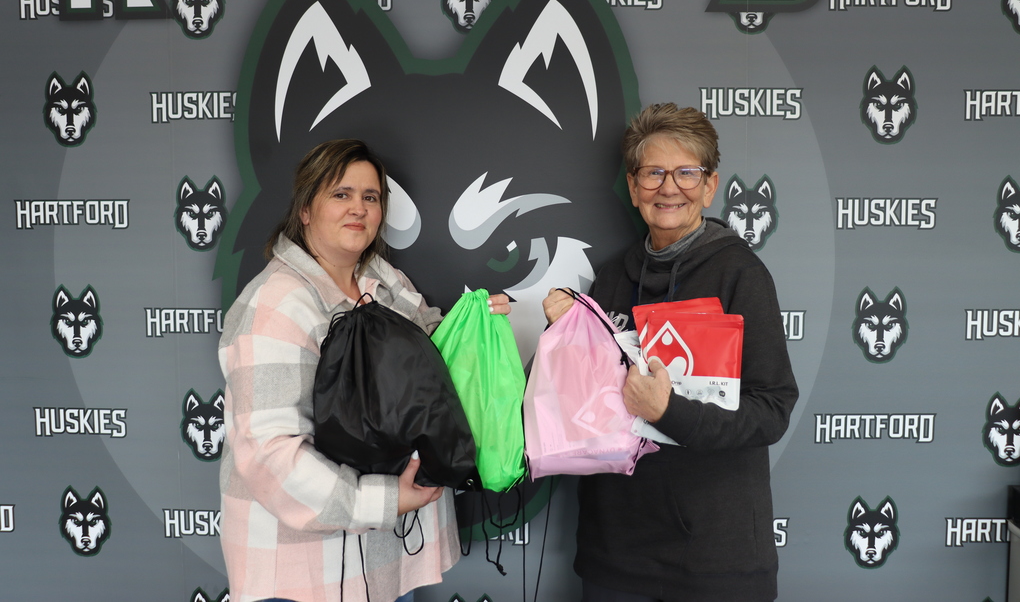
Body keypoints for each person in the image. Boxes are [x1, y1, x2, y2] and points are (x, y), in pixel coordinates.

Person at [218, 139, 510, 602]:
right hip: (308, 574)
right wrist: (387, 499)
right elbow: (272, 456)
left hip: (385, 560)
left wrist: (477, 325)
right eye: (341, 194)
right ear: (306, 210)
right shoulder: (274, 305)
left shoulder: (384, 282)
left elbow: (436, 362)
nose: (358, 208)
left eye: (370, 197)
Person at [543, 104, 798, 602]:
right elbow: (584, 406)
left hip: (714, 559)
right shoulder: (613, 278)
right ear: (634, 186)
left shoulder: (740, 276)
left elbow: (771, 411)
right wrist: (569, 338)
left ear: (709, 185)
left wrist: (668, 412)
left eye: (686, 172)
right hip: (616, 554)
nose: (668, 186)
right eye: (653, 172)